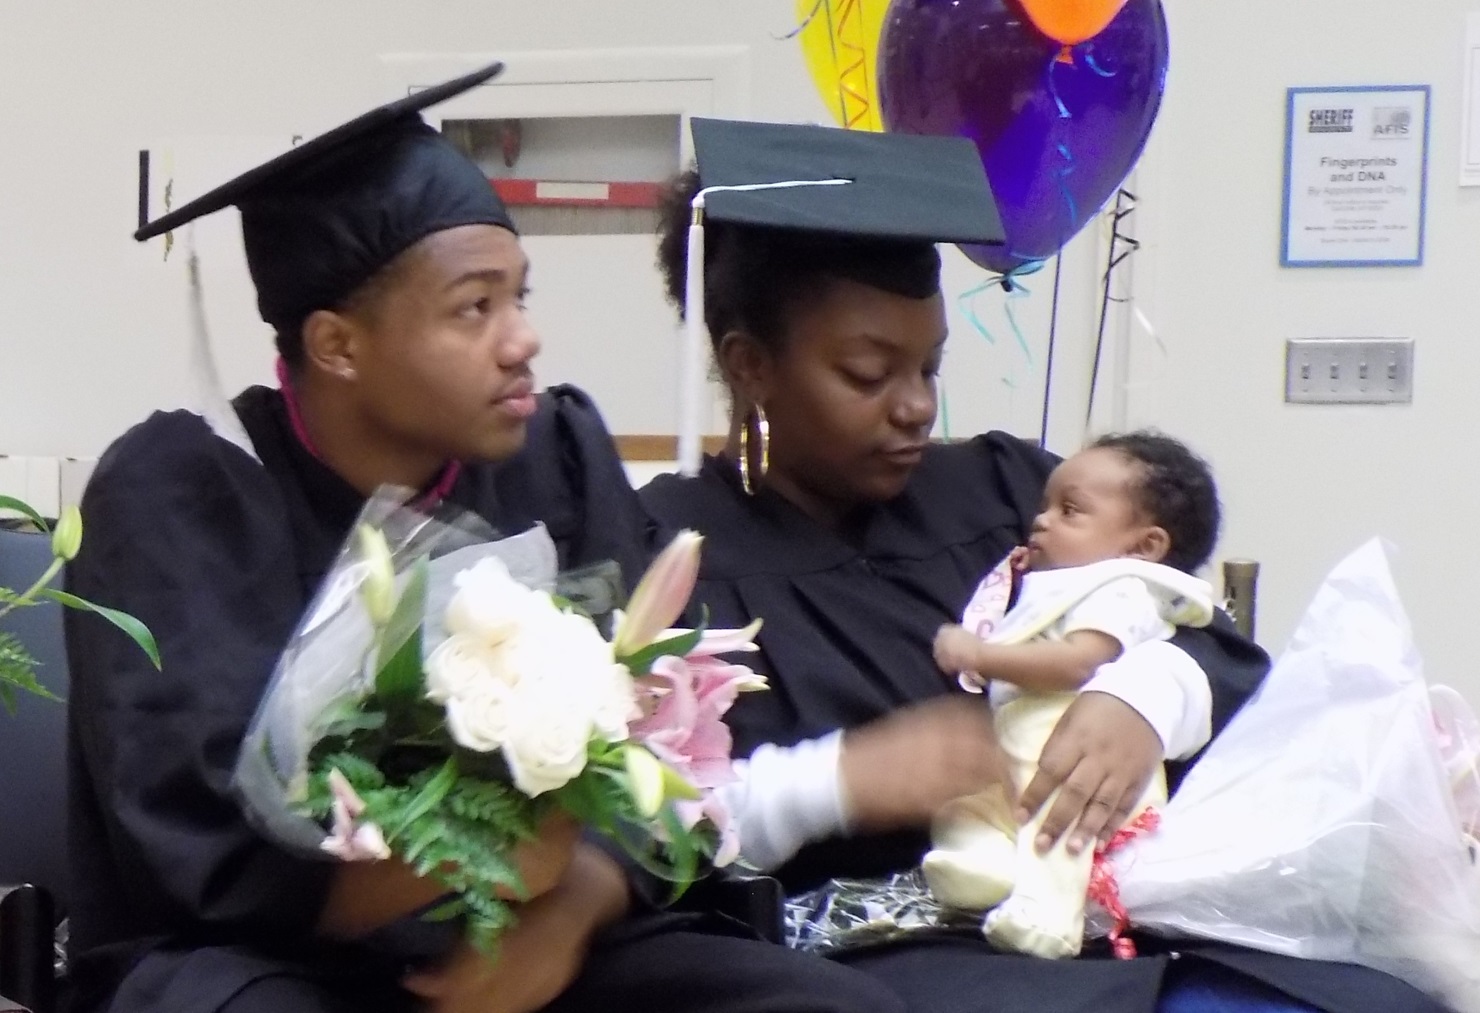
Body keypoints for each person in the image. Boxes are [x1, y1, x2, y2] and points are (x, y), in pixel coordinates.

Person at [62, 67, 907, 1013]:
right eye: (476, 307)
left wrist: (570, 901)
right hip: (278, 958)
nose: (523, 340)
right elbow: (192, 852)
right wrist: (463, 865)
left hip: (537, 923)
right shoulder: (189, 491)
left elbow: (658, 745)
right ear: (338, 344)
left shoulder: (555, 452)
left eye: (520, 296)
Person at [639, 118, 1452, 1013]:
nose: (916, 406)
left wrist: (1142, 699)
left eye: (931, 366)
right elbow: (645, 834)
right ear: (750, 365)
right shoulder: (667, 556)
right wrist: (845, 778)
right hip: (886, 961)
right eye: (870, 374)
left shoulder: (1007, 487)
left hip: (1129, 913)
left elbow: (1206, 640)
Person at [924, 433, 1220, 959]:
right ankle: (988, 873)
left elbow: (1077, 663)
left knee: (1059, 829)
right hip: (1018, 756)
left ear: (1144, 547)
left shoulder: (1119, 589)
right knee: (965, 813)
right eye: (1044, 506)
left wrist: (979, 655)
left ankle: (1049, 920)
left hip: (1075, 754)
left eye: (1070, 511)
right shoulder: (1057, 582)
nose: (1041, 520)